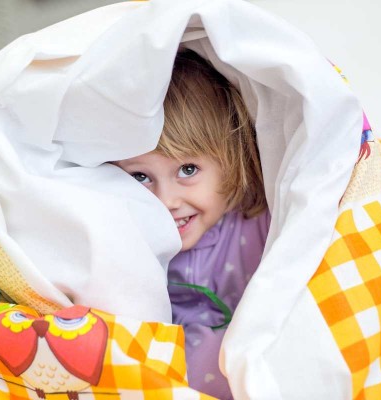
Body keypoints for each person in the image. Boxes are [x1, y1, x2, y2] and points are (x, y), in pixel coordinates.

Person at [115, 49, 270, 399]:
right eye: (140, 176)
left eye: (187, 170)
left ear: (230, 158)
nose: (165, 201)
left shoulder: (261, 223)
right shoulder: (130, 247)